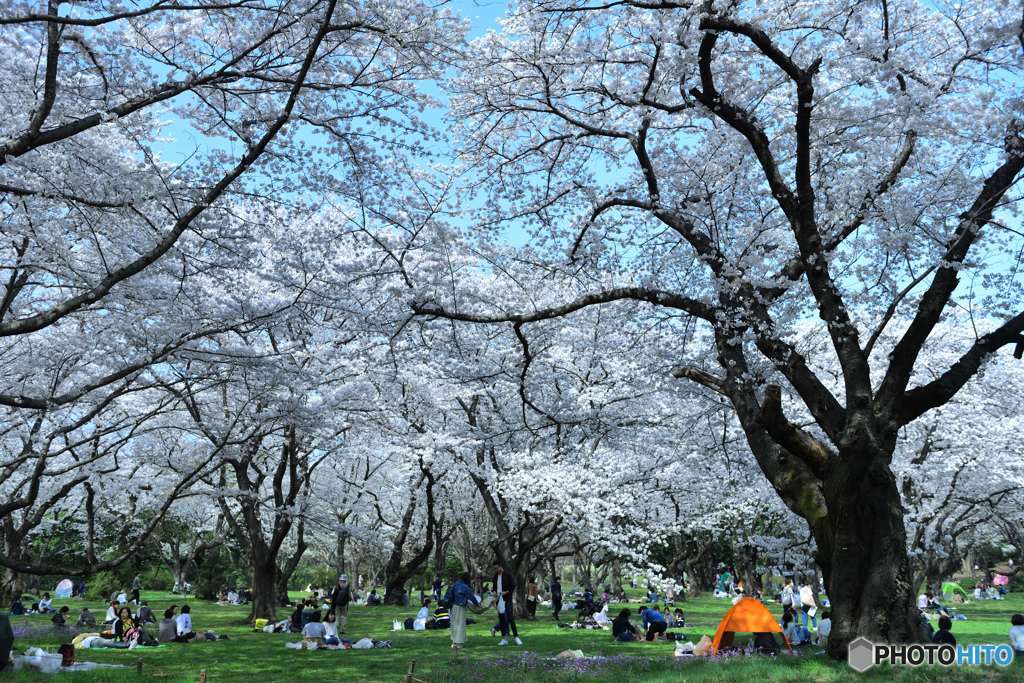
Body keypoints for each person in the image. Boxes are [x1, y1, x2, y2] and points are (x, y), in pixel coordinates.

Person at [444, 572, 480, 650]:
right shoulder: (464, 587)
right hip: (460, 606)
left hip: (453, 606)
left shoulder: (455, 584)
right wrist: (477, 605)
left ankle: (454, 642)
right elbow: (471, 597)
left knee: (454, 624)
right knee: (460, 624)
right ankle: (459, 643)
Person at [494, 564, 521, 646]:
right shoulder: (495, 577)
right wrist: (493, 593)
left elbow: (513, 585)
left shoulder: (508, 575)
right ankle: (504, 639)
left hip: (507, 599)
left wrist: (507, 592)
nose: (496, 569)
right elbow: (494, 588)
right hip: (499, 599)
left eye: (497, 567)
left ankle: (516, 637)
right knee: (502, 619)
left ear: (501, 566)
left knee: (510, 617)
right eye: (495, 568)